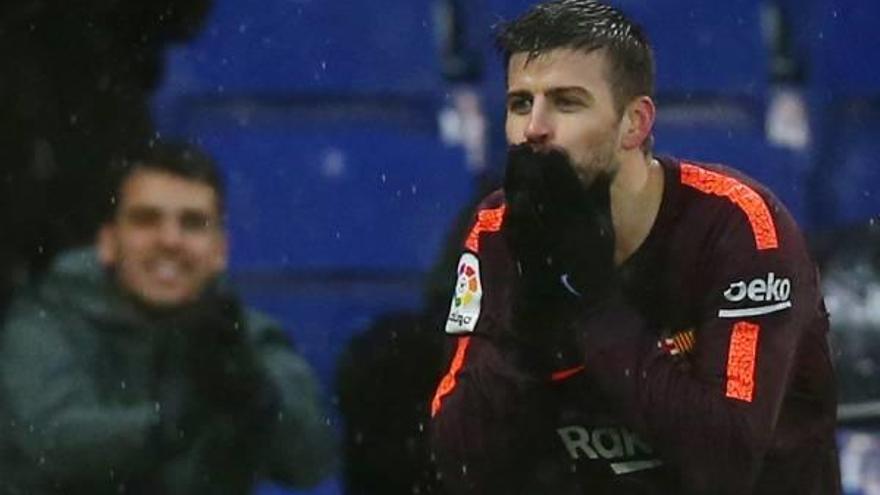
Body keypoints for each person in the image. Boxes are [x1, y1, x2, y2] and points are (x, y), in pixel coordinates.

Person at [428, 1, 840, 494]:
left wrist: (591, 300)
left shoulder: (740, 228)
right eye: (520, 104)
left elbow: (724, 463)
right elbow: (460, 462)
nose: (534, 128)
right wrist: (529, 318)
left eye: (566, 102)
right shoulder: (498, 230)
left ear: (635, 123)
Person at [0, 142, 337, 494]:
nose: (170, 240)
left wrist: (258, 397)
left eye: (192, 223)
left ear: (220, 250)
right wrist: (169, 426)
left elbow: (311, 461)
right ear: (108, 243)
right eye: (146, 220)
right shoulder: (45, 322)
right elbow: (47, 443)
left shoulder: (246, 337)